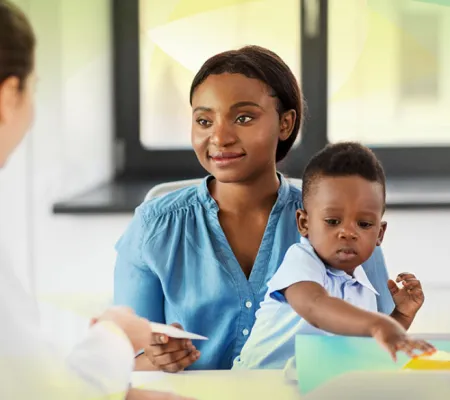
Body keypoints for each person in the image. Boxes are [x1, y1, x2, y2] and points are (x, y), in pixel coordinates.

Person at [114, 46, 396, 373]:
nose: (219, 137)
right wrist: (156, 359)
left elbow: (381, 344)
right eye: (204, 120)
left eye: (243, 117)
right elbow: (122, 360)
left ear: (286, 124)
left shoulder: (345, 221)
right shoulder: (153, 227)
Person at [0, 1, 190, 399]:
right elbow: (40, 387)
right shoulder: (156, 221)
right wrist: (118, 333)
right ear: (8, 96)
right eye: (34, 85)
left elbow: (24, 354)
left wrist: (114, 357)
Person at [233, 142, 435, 370]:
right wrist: (378, 324)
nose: (348, 232)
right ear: (304, 223)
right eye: (332, 221)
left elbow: (367, 344)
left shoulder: (363, 287)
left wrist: (400, 316)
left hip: (309, 386)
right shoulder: (301, 260)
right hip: (255, 385)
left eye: (364, 224)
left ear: (379, 234)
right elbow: (315, 307)